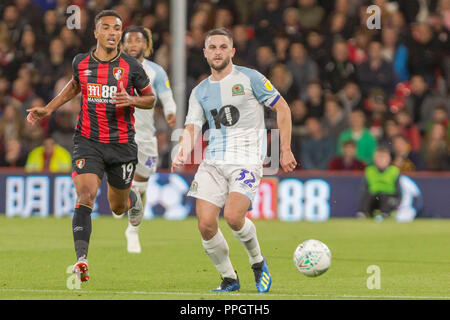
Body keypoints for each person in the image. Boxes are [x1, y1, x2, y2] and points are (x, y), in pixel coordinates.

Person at [25, 10, 155, 283]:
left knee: (118, 208)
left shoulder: (131, 66)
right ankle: (81, 259)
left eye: (117, 29)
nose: (112, 33)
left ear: (121, 34)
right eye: (106, 28)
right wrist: (48, 109)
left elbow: (150, 99)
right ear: (95, 33)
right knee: (85, 195)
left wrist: (131, 101)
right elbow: (75, 86)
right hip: (88, 141)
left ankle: (131, 198)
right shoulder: (81, 62)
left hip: (121, 145)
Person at [172, 28, 296, 293]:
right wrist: (181, 151)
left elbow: (282, 107)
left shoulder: (251, 78)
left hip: (246, 159)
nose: (218, 52)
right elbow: (192, 126)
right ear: (205, 53)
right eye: (212, 47)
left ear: (232, 51)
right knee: (205, 223)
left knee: (233, 216)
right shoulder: (199, 91)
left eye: (223, 47)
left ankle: (257, 261)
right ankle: (229, 278)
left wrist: (285, 149)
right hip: (213, 162)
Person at [121, 25, 177, 253]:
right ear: (123, 44)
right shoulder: (115, 68)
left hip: (146, 137)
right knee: (124, 181)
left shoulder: (155, 71)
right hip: (119, 133)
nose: (133, 45)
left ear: (146, 44)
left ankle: (132, 229)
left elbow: (167, 96)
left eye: (138, 41)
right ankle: (122, 207)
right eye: (129, 41)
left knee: (140, 188)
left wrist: (171, 112)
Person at [357, 147, 401, 219]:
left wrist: (397, 201)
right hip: (374, 198)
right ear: (375, 159)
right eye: (379, 157)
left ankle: (385, 214)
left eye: (384, 158)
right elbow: (364, 189)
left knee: (385, 197)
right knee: (368, 196)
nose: (381, 160)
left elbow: (398, 191)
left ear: (389, 159)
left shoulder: (394, 171)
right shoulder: (369, 170)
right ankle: (364, 213)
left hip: (388, 198)